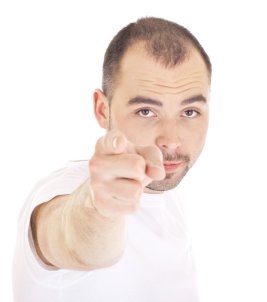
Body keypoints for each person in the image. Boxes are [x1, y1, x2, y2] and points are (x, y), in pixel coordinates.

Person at [13, 17, 211, 302]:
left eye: (190, 112)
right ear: (102, 109)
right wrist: (100, 209)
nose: (171, 139)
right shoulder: (63, 192)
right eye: (146, 111)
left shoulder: (166, 197)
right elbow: (71, 237)